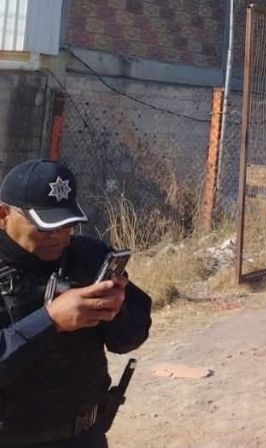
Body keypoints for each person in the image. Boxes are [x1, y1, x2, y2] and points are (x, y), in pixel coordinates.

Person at [0, 159, 152, 447]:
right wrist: (50, 321)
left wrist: (115, 311)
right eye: (46, 227)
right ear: (3, 215)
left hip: (84, 435)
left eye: (67, 225)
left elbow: (129, 339)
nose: (60, 236)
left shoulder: (90, 257)